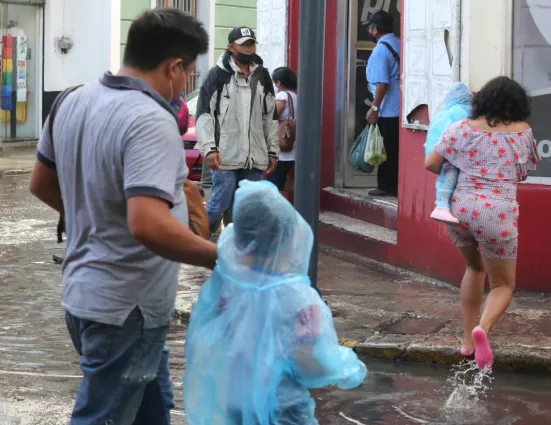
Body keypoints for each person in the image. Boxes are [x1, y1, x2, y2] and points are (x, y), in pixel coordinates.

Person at [29, 8, 216, 424]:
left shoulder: (71, 100)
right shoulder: (151, 119)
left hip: (87, 297)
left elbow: (40, 183)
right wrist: (218, 259)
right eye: (188, 72)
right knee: (102, 417)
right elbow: (147, 224)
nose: (185, 83)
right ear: (173, 67)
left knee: (150, 413)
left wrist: (89, 214)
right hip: (124, 309)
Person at [183, 180, 367, 424]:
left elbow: (208, 341)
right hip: (284, 409)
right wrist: (342, 366)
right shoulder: (298, 298)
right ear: (287, 238)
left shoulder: (227, 286)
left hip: (233, 405)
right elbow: (309, 364)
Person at [424, 76, 541, 369]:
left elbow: (431, 164)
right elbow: (524, 171)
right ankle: (483, 330)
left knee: (474, 267)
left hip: (459, 211)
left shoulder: (461, 129)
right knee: (502, 284)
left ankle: (465, 340)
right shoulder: (524, 133)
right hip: (496, 214)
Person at [196, 26, 279, 233]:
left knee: (247, 208)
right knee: (220, 201)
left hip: (254, 156)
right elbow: (204, 114)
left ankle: (238, 250)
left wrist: (272, 151)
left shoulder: (262, 76)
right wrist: (209, 148)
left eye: (251, 44)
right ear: (231, 47)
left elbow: (270, 117)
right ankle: (198, 237)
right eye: (244, 45)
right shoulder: (217, 75)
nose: (248, 49)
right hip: (225, 154)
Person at [423, 82, 472, 224]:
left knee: (447, 176)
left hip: (441, 154)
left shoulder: (444, 112)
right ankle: (441, 206)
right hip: (454, 154)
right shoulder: (464, 111)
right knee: (450, 176)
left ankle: (442, 205)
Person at [363, 10, 400, 197]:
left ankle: (386, 186)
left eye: (369, 28)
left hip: (387, 109)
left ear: (375, 29)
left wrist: (374, 107)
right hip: (401, 108)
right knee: (395, 149)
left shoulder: (380, 50)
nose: (369, 32)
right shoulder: (399, 43)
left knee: (386, 150)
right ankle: (394, 185)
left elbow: (382, 83)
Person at [267, 66, 298, 193]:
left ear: (278, 83)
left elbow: (272, 115)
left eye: (274, 82)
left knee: (273, 183)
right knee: (283, 180)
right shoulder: (295, 96)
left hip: (282, 148)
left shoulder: (282, 95)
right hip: (293, 145)